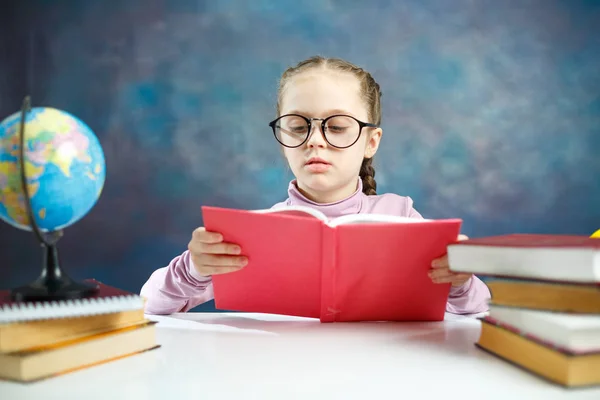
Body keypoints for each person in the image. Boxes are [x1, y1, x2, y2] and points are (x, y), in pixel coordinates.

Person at [140, 56, 491, 316]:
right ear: (282, 138)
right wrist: (194, 268)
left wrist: (458, 281)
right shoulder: (252, 234)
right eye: (297, 125)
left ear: (371, 142)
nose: (315, 141)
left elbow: (477, 314)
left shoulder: (403, 218)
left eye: (337, 126)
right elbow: (150, 305)